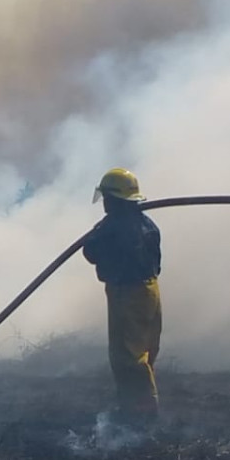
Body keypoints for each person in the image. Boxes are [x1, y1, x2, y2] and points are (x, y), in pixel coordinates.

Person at [83, 168, 162, 426]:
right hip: (148, 290)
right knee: (144, 352)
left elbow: (90, 251)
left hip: (127, 294)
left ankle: (141, 412)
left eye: (106, 197)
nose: (104, 202)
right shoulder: (146, 223)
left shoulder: (115, 226)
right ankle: (135, 405)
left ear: (115, 199)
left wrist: (99, 232)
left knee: (126, 355)